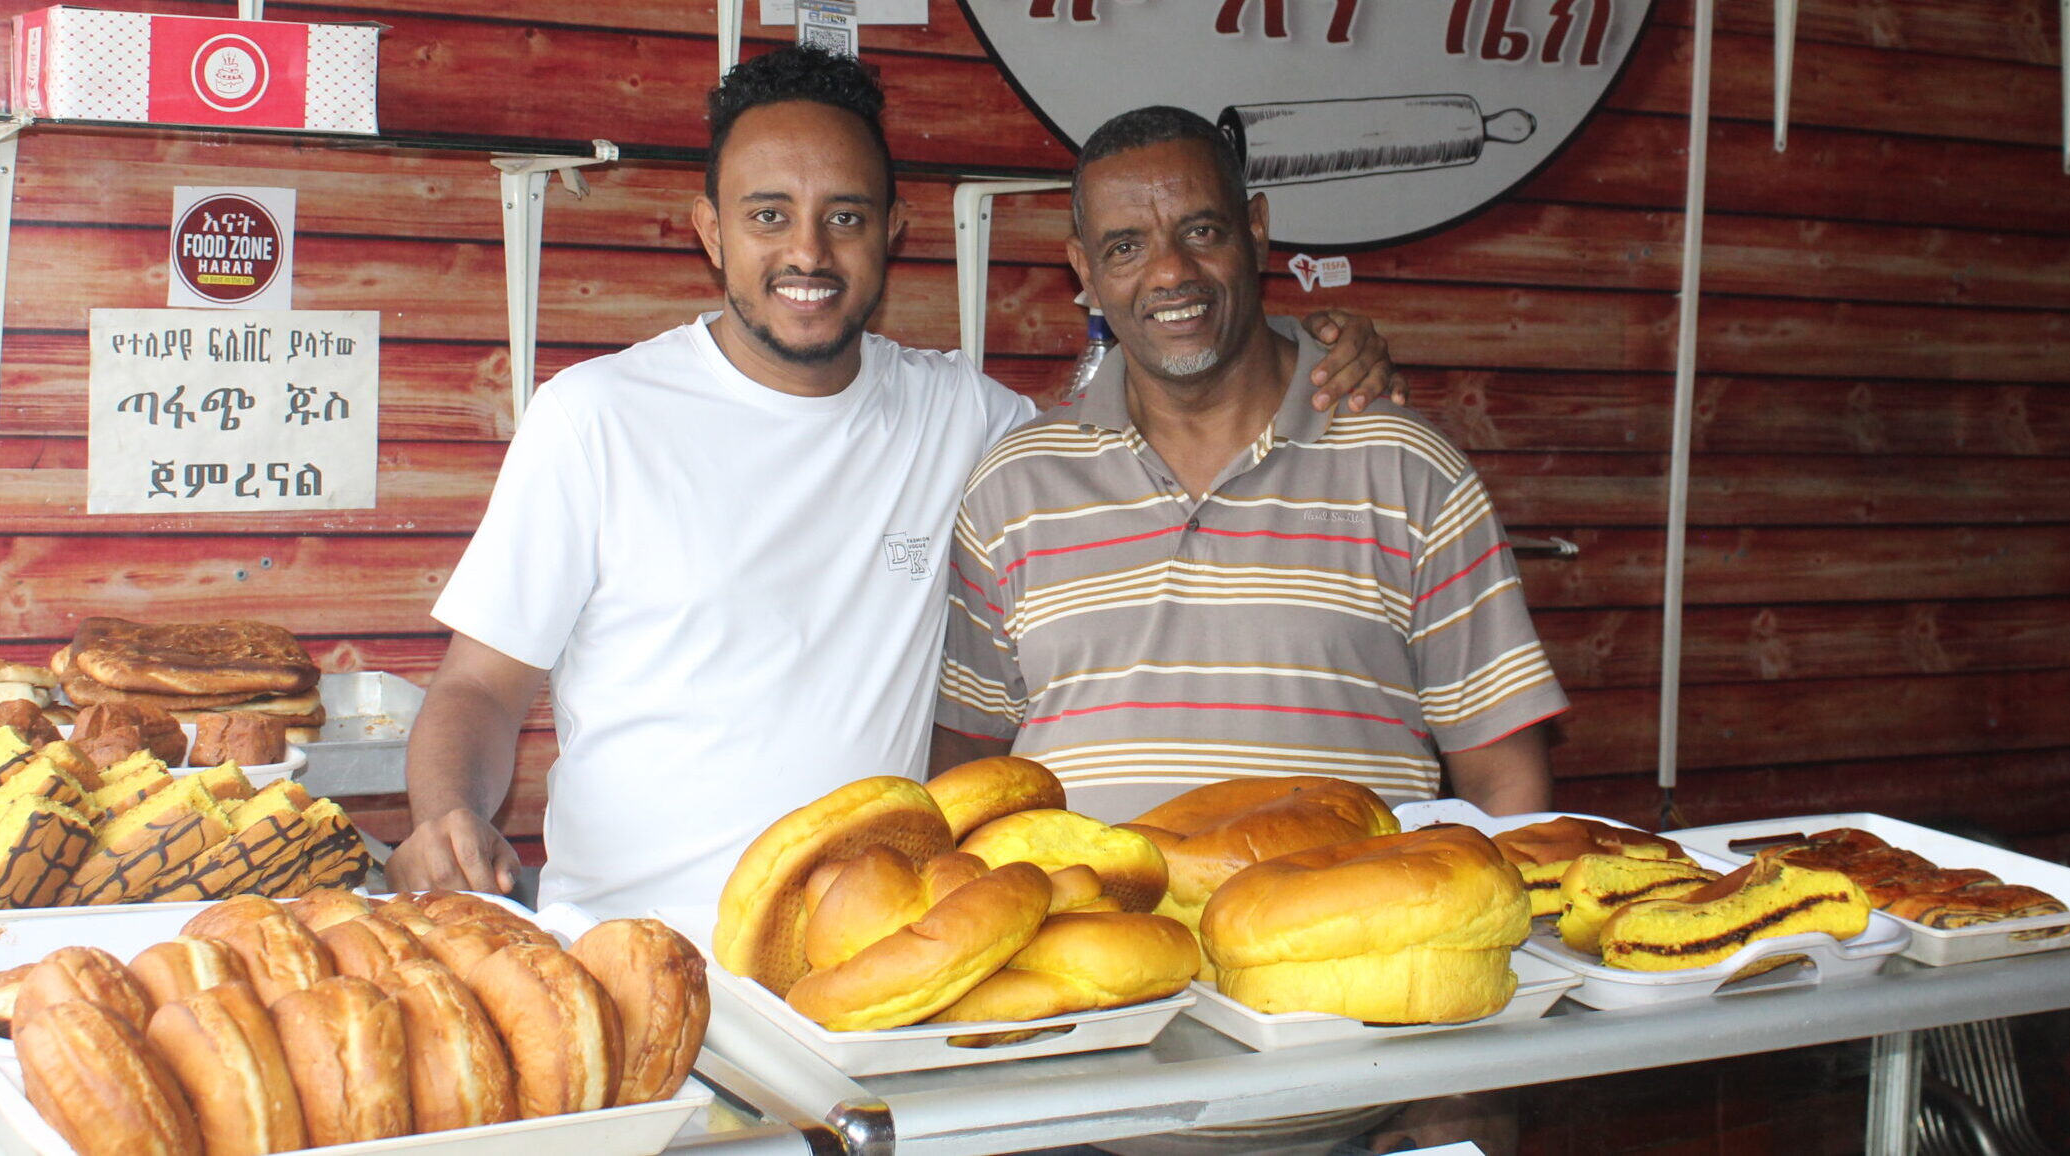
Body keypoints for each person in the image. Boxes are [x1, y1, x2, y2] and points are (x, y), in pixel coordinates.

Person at [385, 49, 1404, 913]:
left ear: (894, 231)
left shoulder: (965, 420)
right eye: (769, 215)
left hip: (866, 973)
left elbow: (1167, 398)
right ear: (710, 231)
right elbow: (478, 689)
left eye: (844, 217)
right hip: (629, 953)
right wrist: (447, 818)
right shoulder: (595, 419)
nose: (807, 252)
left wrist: (1305, 350)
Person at [929, 105, 1566, 823]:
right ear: (1086, 271)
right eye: (1126, 247)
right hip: (1088, 901)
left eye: (1201, 232)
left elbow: (1504, 780)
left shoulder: (1406, 469)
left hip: (1342, 901)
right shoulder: (1014, 484)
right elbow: (968, 767)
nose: (1171, 272)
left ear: (1256, 230)